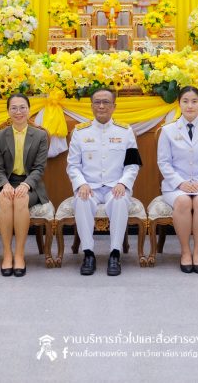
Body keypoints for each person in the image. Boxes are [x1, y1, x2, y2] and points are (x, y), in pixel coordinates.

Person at [66, 88, 141, 276]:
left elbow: (132, 165)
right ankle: (88, 253)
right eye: (97, 102)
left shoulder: (125, 131)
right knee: (81, 200)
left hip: (115, 186)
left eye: (106, 102)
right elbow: (73, 165)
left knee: (120, 200)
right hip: (89, 187)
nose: (101, 106)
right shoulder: (80, 132)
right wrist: (81, 184)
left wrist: (123, 183)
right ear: (91, 106)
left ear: (114, 106)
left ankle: (115, 253)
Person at [156, 86, 198, 274]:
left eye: (194, 101)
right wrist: (180, 183)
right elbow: (163, 162)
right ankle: (185, 252)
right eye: (185, 101)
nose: (190, 106)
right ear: (179, 104)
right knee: (183, 201)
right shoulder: (168, 130)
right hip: (175, 186)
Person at [0, 93, 50, 277]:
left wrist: (27, 184)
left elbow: (39, 168)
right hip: (6, 182)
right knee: (5, 199)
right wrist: (5, 184)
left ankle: (20, 254)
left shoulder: (40, 136)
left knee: (21, 199)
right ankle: (7, 254)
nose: (18, 112)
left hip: (31, 184)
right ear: (8, 111)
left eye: (22, 107)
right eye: (14, 108)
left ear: (29, 110)